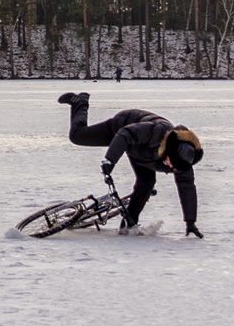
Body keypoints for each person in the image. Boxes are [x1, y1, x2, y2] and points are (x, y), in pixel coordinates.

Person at [57, 91, 204, 237]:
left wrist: (190, 222)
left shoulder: (183, 161)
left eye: (174, 167)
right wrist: (110, 161)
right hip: (123, 127)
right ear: (169, 151)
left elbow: (187, 188)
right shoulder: (156, 131)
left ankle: (130, 222)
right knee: (77, 136)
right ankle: (80, 103)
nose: (170, 168)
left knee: (146, 182)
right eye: (171, 163)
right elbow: (125, 135)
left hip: (142, 154)